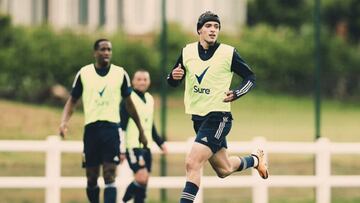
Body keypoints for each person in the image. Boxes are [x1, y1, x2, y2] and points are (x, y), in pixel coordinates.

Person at [167, 11, 269, 203]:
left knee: (192, 162)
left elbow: (250, 77)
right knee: (224, 169)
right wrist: (173, 78)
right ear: (199, 30)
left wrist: (237, 93)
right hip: (198, 119)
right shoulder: (187, 52)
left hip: (219, 117)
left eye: (216, 27)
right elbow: (173, 80)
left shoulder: (228, 53)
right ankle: (256, 160)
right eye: (208, 26)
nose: (213, 30)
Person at [59, 39, 147, 203]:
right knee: (91, 177)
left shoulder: (120, 73)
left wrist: (141, 130)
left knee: (109, 174)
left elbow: (129, 104)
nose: (106, 52)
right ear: (95, 52)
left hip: (111, 130)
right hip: (91, 130)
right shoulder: (84, 73)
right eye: (103, 49)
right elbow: (72, 100)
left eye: (109, 49)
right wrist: (64, 122)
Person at [119, 70, 168, 203]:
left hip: (147, 146)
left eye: (145, 79)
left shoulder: (150, 99)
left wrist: (160, 142)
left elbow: (150, 124)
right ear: (133, 82)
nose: (142, 82)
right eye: (139, 79)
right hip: (133, 145)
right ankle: (124, 199)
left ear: (149, 82)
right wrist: (121, 148)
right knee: (141, 177)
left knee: (144, 182)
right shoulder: (128, 99)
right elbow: (121, 125)